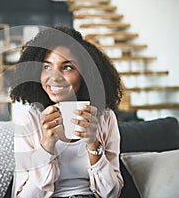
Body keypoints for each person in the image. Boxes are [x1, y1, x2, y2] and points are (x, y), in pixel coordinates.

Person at [9, 26, 124, 198]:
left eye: (67, 67)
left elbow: (112, 193)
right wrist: (46, 145)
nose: (54, 77)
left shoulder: (105, 117)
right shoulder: (29, 119)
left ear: (86, 74)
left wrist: (94, 143)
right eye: (47, 67)